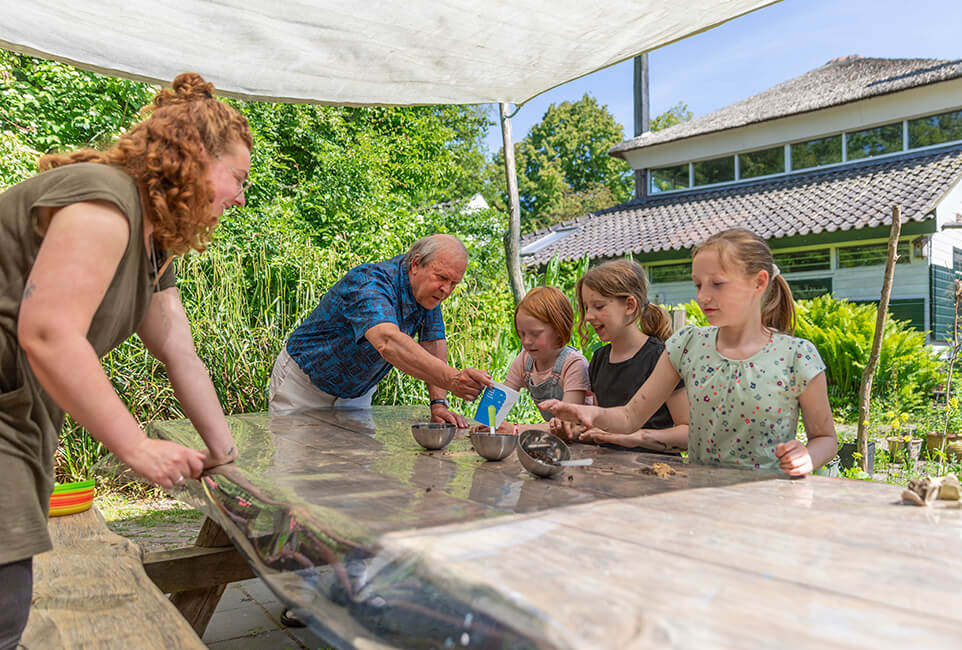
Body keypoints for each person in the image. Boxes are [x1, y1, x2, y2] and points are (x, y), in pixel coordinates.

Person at [0, 72, 247, 649]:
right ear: (193, 159)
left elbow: (176, 350)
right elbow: (50, 334)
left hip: (20, 423)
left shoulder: (154, 246)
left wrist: (226, 456)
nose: (240, 197)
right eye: (237, 178)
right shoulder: (103, 197)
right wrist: (136, 447)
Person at [542, 228, 837, 476]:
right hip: (698, 496)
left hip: (770, 503)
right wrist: (586, 413)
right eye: (698, 284)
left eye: (717, 284)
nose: (702, 296)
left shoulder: (797, 356)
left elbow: (825, 438)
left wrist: (808, 456)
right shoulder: (687, 345)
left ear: (758, 283)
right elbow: (630, 416)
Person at [269, 234, 490, 426]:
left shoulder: (428, 295)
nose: (446, 290)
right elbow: (388, 342)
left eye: (454, 283)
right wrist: (452, 379)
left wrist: (439, 403)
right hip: (304, 385)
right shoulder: (368, 283)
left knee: (357, 469)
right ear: (415, 264)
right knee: (293, 468)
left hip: (356, 395)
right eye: (441, 278)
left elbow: (433, 342)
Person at [554, 260, 689, 452]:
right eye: (586, 308)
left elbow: (688, 432)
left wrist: (638, 438)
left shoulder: (662, 358)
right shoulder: (599, 359)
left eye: (598, 306)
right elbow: (602, 432)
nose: (589, 316)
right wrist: (573, 433)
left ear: (629, 306)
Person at [494, 286, 589, 433]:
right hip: (556, 437)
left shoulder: (574, 364)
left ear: (558, 330)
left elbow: (567, 424)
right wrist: (488, 423)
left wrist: (515, 429)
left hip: (582, 440)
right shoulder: (525, 360)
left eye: (535, 334)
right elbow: (500, 400)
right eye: (522, 333)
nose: (526, 341)